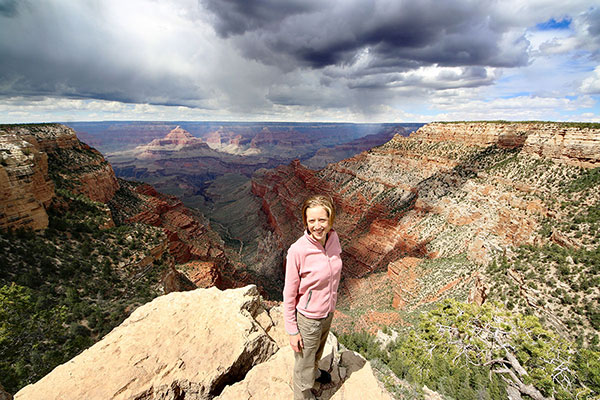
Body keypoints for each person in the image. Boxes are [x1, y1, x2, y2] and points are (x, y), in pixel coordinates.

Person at [283, 194, 343, 400]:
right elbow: (289, 293)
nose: (317, 226)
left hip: (327, 312)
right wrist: (292, 330)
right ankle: (303, 395)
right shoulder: (298, 251)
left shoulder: (333, 239)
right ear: (305, 222)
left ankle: (316, 373)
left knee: (317, 352)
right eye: (311, 221)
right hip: (308, 318)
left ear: (330, 220)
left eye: (322, 220)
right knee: (303, 365)